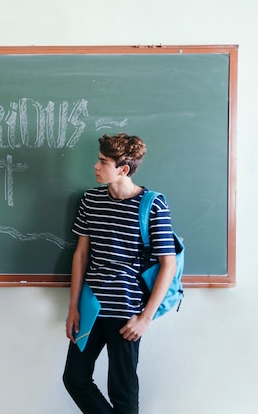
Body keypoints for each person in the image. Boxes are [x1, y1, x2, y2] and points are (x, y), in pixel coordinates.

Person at [63, 133, 177, 414]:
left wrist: (145, 318)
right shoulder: (91, 200)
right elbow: (81, 254)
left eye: (103, 162)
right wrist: (73, 306)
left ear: (123, 169)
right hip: (91, 307)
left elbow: (168, 264)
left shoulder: (153, 205)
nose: (95, 166)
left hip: (127, 312)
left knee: (122, 391)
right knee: (75, 378)